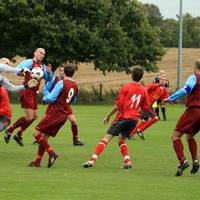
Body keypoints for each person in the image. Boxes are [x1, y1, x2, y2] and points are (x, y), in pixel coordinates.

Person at [83, 67, 150, 169]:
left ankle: (92, 160)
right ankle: (127, 162)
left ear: (131, 75)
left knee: (106, 138)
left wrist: (108, 115)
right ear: (141, 77)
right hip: (134, 120)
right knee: (121, 140)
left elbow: (118, 105)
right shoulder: (144, 90)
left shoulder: (126, 87)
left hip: (124, 118)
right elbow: (146, 107)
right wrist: (136, 112)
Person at [28, 63, 78, 168]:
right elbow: (73, 101)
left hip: (55, 112)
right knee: (44, 137)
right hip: (64, 115)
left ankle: (52, 153)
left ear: (64, 72)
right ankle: (37, 161)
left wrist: (44, 98)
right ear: (73, 73)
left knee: (35, 133)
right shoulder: (75, 86)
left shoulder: (61, 83)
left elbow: (51, 98)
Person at [5, 48, 53, 146]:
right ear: (35, 53)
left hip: (34, 93)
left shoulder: (42, 66)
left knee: (34, 117)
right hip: (26, 90)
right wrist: (23, 72)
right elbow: (17, 71)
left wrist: (48, 72)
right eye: (40, 52)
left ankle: (18, 134)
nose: (42, 55)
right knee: (29, 117)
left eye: (44, 54)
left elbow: (49, 79)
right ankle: (10, 130)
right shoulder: (29, 62)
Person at [166, 59, 200, 176]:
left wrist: (171, 98)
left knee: (175, 136)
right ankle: (195, 160)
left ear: (195, 67)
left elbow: (187, 89)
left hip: (194, 110)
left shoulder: (194, 77)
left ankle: (183, 162)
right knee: (189, 136)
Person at [42, 66, 84, 146]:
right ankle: (40, 138)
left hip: (64, 105)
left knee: (73, 121)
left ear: (65, 72)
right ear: (59, 71)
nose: (61, 72)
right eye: (60, 70)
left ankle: (75, 140)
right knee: (46, 121)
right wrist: (48, 97)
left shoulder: (71, 83)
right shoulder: (54, 79)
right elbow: (45, 89)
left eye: (62, 70)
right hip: (54, 104)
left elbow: (73, 100)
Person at [0, 58, 37, 134]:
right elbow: (4, 67)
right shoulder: (2, 67)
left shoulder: (2, 79)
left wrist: (26, 86)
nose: (8, 66)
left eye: (8, 64)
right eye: (6, 63)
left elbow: (13, 88)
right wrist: (20, 70)